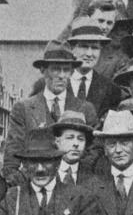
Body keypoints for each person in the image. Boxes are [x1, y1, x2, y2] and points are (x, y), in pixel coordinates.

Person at [3, 42, 98, 186]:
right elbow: (12, 157)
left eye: (66, 70)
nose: (61, 75)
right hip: (33, 184)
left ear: (72, 72)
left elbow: (94, 151)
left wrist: (74, 175)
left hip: (73, 186)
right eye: (55, 69)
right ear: (43, 70)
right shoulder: (24, 108)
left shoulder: (85, 108)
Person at [67, 17, 122, 119]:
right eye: (84, 46)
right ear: (72, 48)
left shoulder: (111, 90)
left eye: (95, 48)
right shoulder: (54, 83)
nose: (89, 54)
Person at [51, 110, 96, 185]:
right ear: (57, 141)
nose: (76, 144)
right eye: (70, 138)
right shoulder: (47, 173)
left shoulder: (92, 174)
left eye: (80, 139)